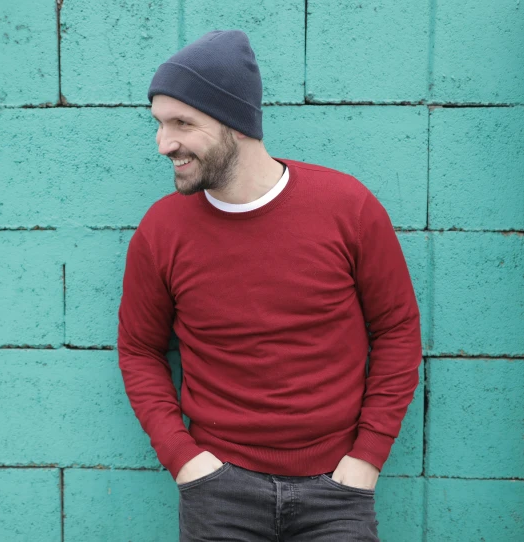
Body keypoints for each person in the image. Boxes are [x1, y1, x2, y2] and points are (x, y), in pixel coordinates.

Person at [117, 29, 422, 541]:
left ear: (235, 122)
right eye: (159, 124)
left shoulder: (347, 207)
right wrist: (185, 461)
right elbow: (139, 350)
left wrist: (367, 457)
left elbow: (396, 330)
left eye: (181, 123)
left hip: (336, 493)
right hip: (218, 493)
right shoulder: (161, 230)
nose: (163, 143)